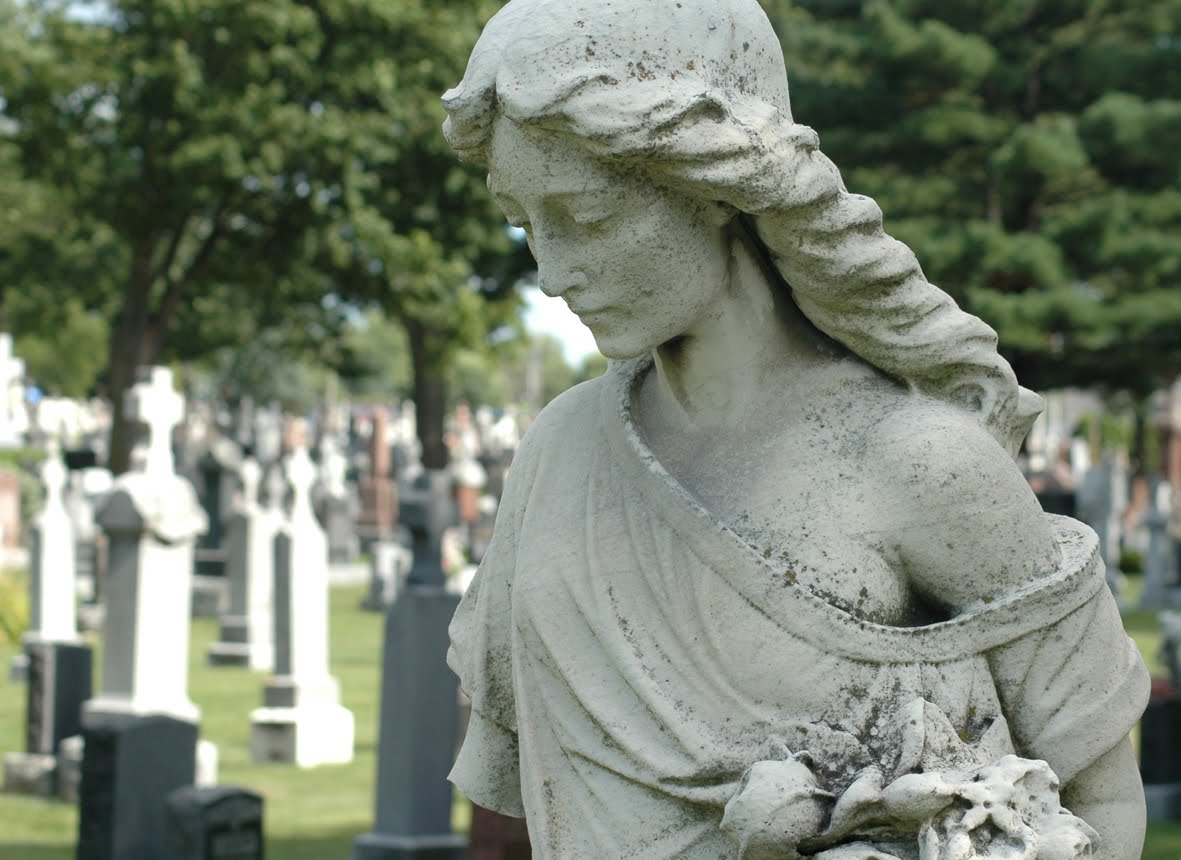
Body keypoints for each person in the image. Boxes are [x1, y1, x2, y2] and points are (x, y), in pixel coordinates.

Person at [442, 1, 1148, 857]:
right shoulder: (559, 452)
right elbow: (524, 799)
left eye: (587, 216)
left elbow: (1100, 803)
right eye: (525, 225)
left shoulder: (914, 464)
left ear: (717, 188)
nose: (551, 274)